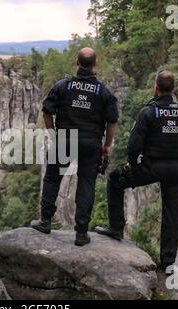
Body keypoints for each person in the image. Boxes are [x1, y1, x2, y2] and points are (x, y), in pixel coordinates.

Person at [95, 71, 178, 273]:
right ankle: (168, 261)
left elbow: (135, 145)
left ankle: (116, 228)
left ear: (156, 87)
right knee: (171, 212)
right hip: (175, 169)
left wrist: (133, 164)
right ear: (173, 88)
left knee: (115, 180)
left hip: (151, 166)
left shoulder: (148, 112)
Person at [31, 47, 119, 246]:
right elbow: (112, 121)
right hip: (91, 142)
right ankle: (80, 233)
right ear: (95, 65)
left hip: (65, 138)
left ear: (77, 63)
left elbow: (47, 111)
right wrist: (107, 146)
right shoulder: (103, 91)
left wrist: (53, 135)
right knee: (86, 183)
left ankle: (45, 221)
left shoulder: (63, 86)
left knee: (53, 178)